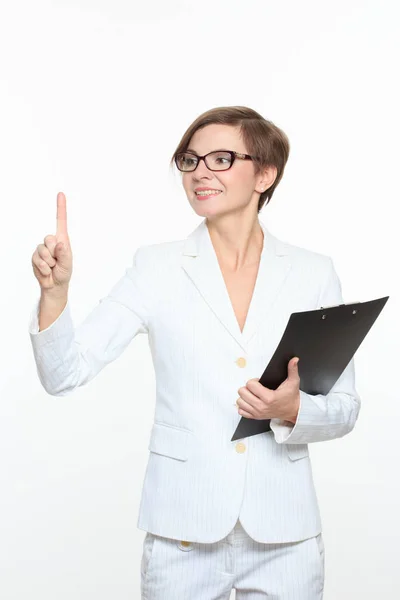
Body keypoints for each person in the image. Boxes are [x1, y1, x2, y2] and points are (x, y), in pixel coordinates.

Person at [29, 106, 361, 599]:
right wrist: (55, 295)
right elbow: (64, 373)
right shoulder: (155, 267)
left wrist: (294, 409)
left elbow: (345, 409)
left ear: (264, 174)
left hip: (285, 534)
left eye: (222, 158)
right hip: (182, 530)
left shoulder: (314, 273)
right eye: (190, 160)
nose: (200, 171)